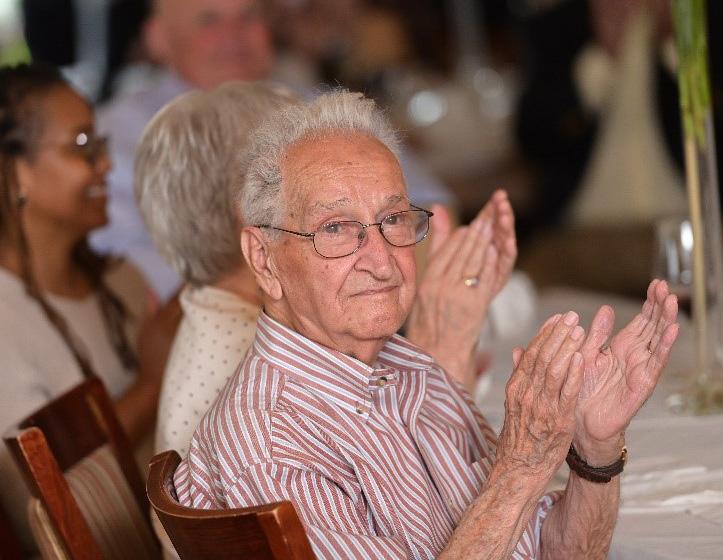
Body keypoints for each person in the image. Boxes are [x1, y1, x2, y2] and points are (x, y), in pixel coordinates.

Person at [173, 90, 679, 558]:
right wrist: (521, 468)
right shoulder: (276, 443)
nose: (382, 262)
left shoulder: (408, 367)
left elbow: (551, 550)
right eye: (336, 228)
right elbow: (513, 500)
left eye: (393, 220)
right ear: (263, 259)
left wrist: (594, 451)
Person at [136, 81, 515, 458]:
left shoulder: (220, 308)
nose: (382, 262)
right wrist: (443, 345)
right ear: (254, 217)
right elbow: (403, 481)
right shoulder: (256, 358)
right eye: (334, 227)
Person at [92, 0, 454, 301]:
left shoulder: (316, 104)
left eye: (249, 16)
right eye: (209, 20)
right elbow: (117, 267)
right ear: (158, 39)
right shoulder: (118, 133)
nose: (234, 35)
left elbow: (433, 205)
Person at [0, 63, 163, 554]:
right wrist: (153, 380)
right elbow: (39, 496)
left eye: (100, 144)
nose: (106, 165)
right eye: (82, 146)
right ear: (16, 172)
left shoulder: (121, 280)